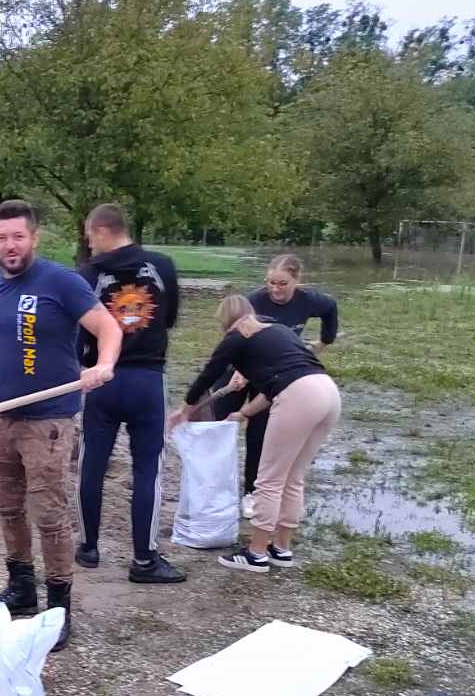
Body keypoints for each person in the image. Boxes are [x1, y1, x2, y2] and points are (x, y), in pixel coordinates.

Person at [0, 200, 122, 651]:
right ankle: (22, 586)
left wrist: (103, 364)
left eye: (18, 236)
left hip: (48, 421)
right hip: (0, 417)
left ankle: (58, 606)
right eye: (1, 237)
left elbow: (108, 327)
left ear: (34, 238)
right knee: (7, 508)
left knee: (50, 513)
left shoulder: (60, 281)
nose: (9, 245)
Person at [169, 294, 341, 572]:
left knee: (269, 480)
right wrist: (245, 413)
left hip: (299, 396)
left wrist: (185, 409)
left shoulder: (235, 337)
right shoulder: (279, 331)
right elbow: (277, 384)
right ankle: (282, 549)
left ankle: (256, 553)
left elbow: (208, 375)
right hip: (328, 393)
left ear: (225, 321)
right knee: (293, 478)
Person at [75, 203, 185, 585]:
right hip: (148, 380)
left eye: (91, 237)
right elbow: (168, 318)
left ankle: (88, 547)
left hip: (101, 378)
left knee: (92, 463)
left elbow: (79, 327)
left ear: (104, 231)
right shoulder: (163, 266)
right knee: (148, 470)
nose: (89, 245)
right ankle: (144, 560)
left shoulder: (88, 274)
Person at [212, 254, 339, 518]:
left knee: (260, 433)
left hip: (274, 375)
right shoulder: (254, 301)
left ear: (297, 280)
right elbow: (235, 338)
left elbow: (330, 309)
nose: (276, 289)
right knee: (219, 421)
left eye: (283, 283)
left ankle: (251, 493)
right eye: (271, 282)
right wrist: (239, 370)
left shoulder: (310, 301)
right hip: (239, 367)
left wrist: (323, 343)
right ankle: (215, 488)